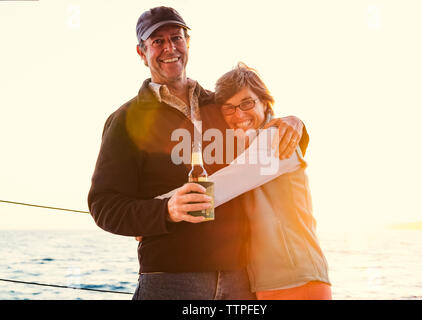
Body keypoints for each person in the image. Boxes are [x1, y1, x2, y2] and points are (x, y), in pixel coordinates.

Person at [88, 6, 306, 300]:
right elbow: (104, 206)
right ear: (141, 53)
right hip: (170, 279)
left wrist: (297, 123)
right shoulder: (125, 120)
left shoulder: (222, 106)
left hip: (241, 279)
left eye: (176, 38)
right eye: (157, 41)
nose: (169, 48)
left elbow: (271, 142)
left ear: (187, 44)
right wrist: (165, 210)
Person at [213, 62, 332, 300]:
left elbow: (220, 187)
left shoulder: (276, 136)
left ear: (264, 102)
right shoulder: (242, 148)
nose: (239, 114)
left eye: (247, 103)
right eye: (229, 108)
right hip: (268, 281)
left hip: (297, 278)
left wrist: (157, 211)